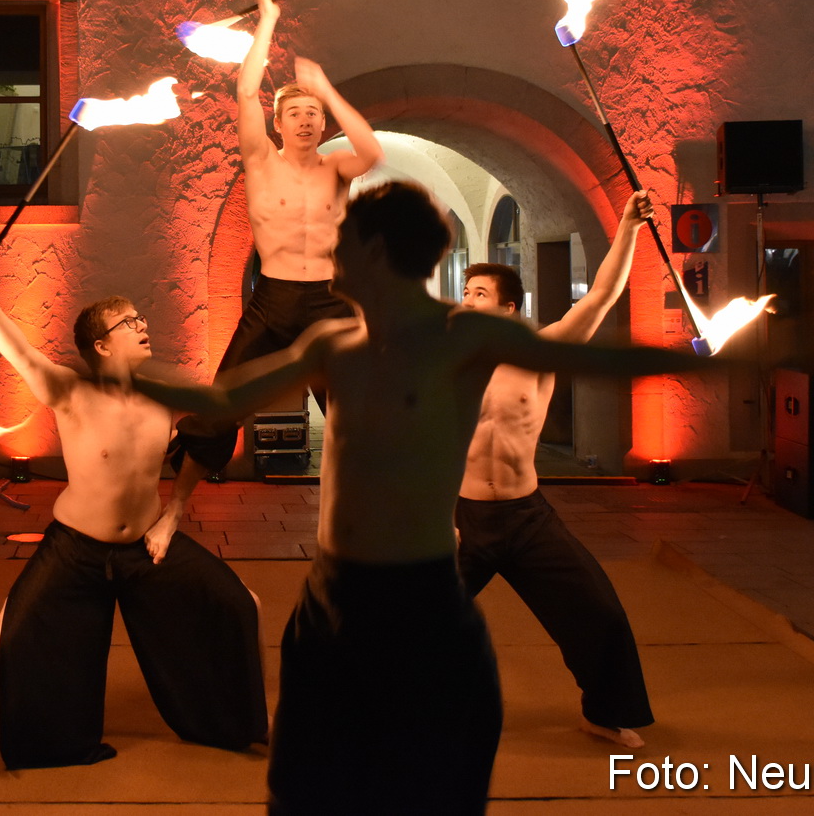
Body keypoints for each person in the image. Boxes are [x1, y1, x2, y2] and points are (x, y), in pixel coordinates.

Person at [134, 182, 713, 815]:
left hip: (498, 533)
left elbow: (607, 336)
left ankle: (607, 709)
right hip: (406, 552)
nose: (327, 256)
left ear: (376, 252)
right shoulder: (338, 345)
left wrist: (710, 351)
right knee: (318, 766)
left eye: (342, 242)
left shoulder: (474, 342)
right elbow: (222, 401)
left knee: (582, 620)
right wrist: (122, 375)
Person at [0, 265, 267, 769]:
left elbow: (207, 439)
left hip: (147, 547)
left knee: (247, 604)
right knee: (0, 645)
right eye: (128, 322)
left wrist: (172, 515)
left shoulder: (165, 396)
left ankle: (254, 723)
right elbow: (22, 354)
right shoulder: (71, 391)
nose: (142, 324)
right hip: (75, 549)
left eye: (140, 318)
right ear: (102, 346)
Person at [456, 191, 655, 749]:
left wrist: (628, 228)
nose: (467, 300)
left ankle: (605, 711)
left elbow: (599, 298)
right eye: (465, 291)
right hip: (460, 517)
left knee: (601, 614)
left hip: (526, 518)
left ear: (508, 309)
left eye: (480, 293)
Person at [172, 0, 384, 482]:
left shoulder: (336, 166)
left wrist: (327, 89)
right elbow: (246, 90)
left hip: (331, 301)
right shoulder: (262, 161)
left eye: (314, 114)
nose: (306, 121)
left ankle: (386, 517)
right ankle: (176, 505)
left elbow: (373, 152)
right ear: (279, 123)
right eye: (296, 113)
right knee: (221, 402)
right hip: (273, 300)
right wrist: (267, 18)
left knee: (359, 414)